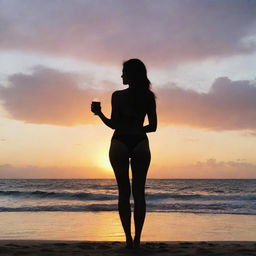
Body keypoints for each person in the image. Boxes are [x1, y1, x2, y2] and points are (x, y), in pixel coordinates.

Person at [91, 58, 157, 249]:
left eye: (124, 72)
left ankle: (128, 239)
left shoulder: (117, 95)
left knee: (123, 193)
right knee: (139, 193)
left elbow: (114, 124)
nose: (121, 75)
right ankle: (137, 241)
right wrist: (136, 128)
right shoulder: (148, 96)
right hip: (140, 143)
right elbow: (153, 127)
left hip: (119, 142)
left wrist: (100, 114)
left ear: (131, 74)